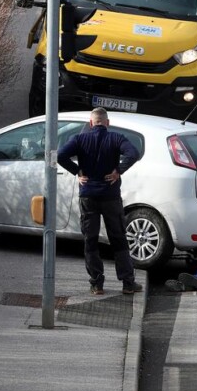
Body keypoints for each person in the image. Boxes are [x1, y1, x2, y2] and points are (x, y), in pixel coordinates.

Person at [56, 108, 143, 296]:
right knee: (118, 238)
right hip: (111, 196)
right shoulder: (116, 138)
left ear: (90, 123)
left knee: (90, 239)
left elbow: (60, 156)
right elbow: (133, 153)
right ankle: (128, 282)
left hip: (88, 196)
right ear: (107, 122)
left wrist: (77, 171)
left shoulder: (79, 139)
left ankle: (97, 284)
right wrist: (118, 170)